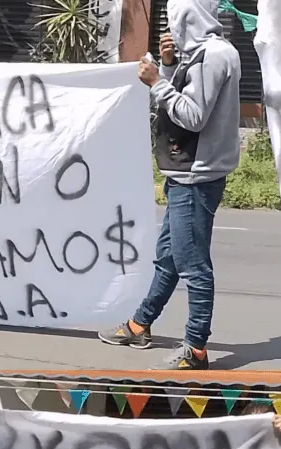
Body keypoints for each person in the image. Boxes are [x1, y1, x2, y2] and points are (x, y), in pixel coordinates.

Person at [98, 0, 241, 370]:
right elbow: (190, 95)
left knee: (193, 264)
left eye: (175, 18)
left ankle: (195, 348)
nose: (170, 25)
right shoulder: (203, 53)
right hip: (186, 171)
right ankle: (139, 324)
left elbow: (193, 116)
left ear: (189, 17)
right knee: (169, 258)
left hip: (197, 174)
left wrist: (157, 82)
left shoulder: (213, 56)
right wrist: (169, 66)